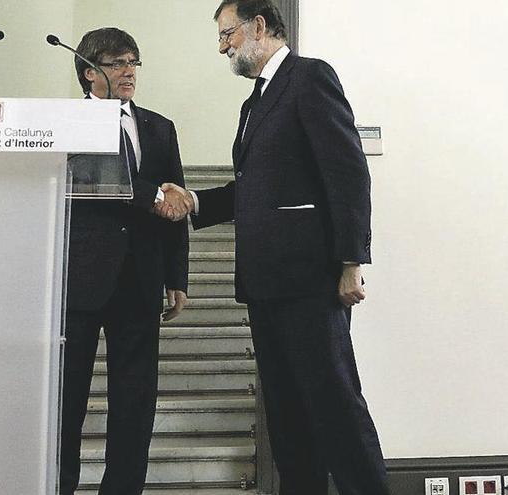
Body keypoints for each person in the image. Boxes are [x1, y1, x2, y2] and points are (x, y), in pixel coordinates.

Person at [157, 1, 390, 494]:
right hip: (266, 283)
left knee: (335, 407)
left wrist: (351, 262)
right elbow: (255, 190)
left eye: (227, 35)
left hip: (310, 280)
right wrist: (195, 199)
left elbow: (348, 175)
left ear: (258, 26)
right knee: (286, 416)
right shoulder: (255, 103)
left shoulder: (309, 78)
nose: (223, 47)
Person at [60, 27, 189, 495]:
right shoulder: (64, 121)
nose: (128, 70)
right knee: (66, 400)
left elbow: (175, 200)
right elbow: (92, 180)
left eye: (133, 61)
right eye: (117, 63)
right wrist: (150, 195)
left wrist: (177, 277)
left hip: (141, 279)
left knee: (135, 403)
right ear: (89, 72)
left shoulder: (160, 126)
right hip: (78, 282)